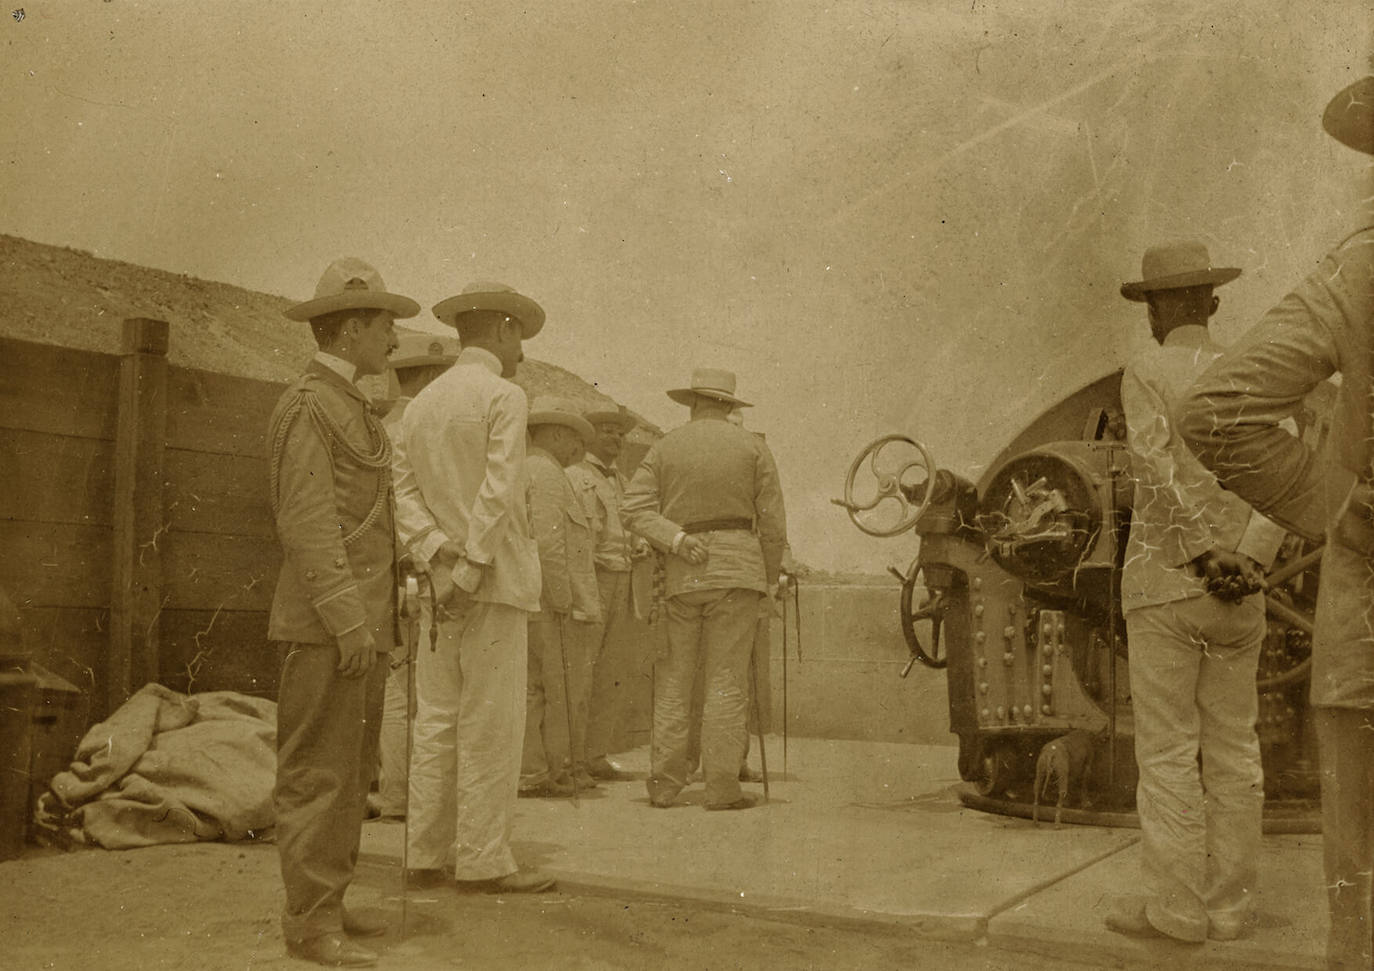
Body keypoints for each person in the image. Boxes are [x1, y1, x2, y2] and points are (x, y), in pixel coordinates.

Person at [1179, 74, 1374, 971]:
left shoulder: (1358, 268)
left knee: (1358, 886)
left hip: (1367, 618)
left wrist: (1342, 509)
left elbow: (1216, 412)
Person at [1103, 240, 1287, 944]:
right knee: (1236, 748)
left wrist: (1202, 551)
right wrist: (1246, 555)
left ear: (1155, 308)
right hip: (1243, 592)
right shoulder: (1254, 374)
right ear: (1211, 302)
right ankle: (1233, 907)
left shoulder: (1147, 370)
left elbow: (1152, 468)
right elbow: (1284, 477)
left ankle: (1176, 911)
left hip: (1166, 586)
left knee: (1170, 752)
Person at [267, 257, 419, 968]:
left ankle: (329, 900)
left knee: (352, 772)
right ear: (353, 328)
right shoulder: (307, 406)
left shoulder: (349, 405)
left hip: (360, 629)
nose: (394, 338)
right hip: (329, 630)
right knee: (318, 775)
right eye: (386, 324)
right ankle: (309, 923)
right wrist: (350, 620)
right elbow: (309, 525)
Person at [390, 281, 553, 894]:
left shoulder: (420, 405)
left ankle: (424, 855)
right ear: (506, 331)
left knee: (434, 720)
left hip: (435, 586)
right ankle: (484, 860)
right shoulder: (505, 395)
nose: (522, 353)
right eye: (520, 339)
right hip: (491, 584)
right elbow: (501, 488)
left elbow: (401, 495)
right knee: (490, 723)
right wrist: (473, 565)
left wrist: (436, 554)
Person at [622, 368, 788, 811]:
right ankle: (721, 787)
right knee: (726, 682)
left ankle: (664, 784)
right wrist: (768, 577)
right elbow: (772, 524)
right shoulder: (754, 447)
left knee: (675, 681)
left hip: (681, 572)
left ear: (692, 404)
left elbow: (633, 507)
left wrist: (673, 538)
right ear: (730, 406)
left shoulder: (665, 446)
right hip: (738, 572)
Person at [370, 334, 458, 820]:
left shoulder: (381, 428)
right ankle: (408, 797)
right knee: (414, 691)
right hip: (415, 571)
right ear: (425, 378)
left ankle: (400, 794)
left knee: (401, 687)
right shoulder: (423, 430)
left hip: (390, 570)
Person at [520, 398, 601, 796]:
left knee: (537, 689)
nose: (581, 447)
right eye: (575, 437)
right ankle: (546, 772)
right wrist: (563, 599)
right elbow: (549, 544)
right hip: (552, 604)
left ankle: (535, 771)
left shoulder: (538, 468)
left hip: (539, 600)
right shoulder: (545, 473)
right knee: (555, 690)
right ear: (554, 433)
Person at [565, 404, 643, 781]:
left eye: (620, 432)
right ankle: (571, 759)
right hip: (592, 579)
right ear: (588, 435)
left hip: (624, 580)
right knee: (581, 672)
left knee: (612, 673)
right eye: (607, 430)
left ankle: (595, 754)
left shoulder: (623, 481)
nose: (615, 438)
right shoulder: (574, 476)